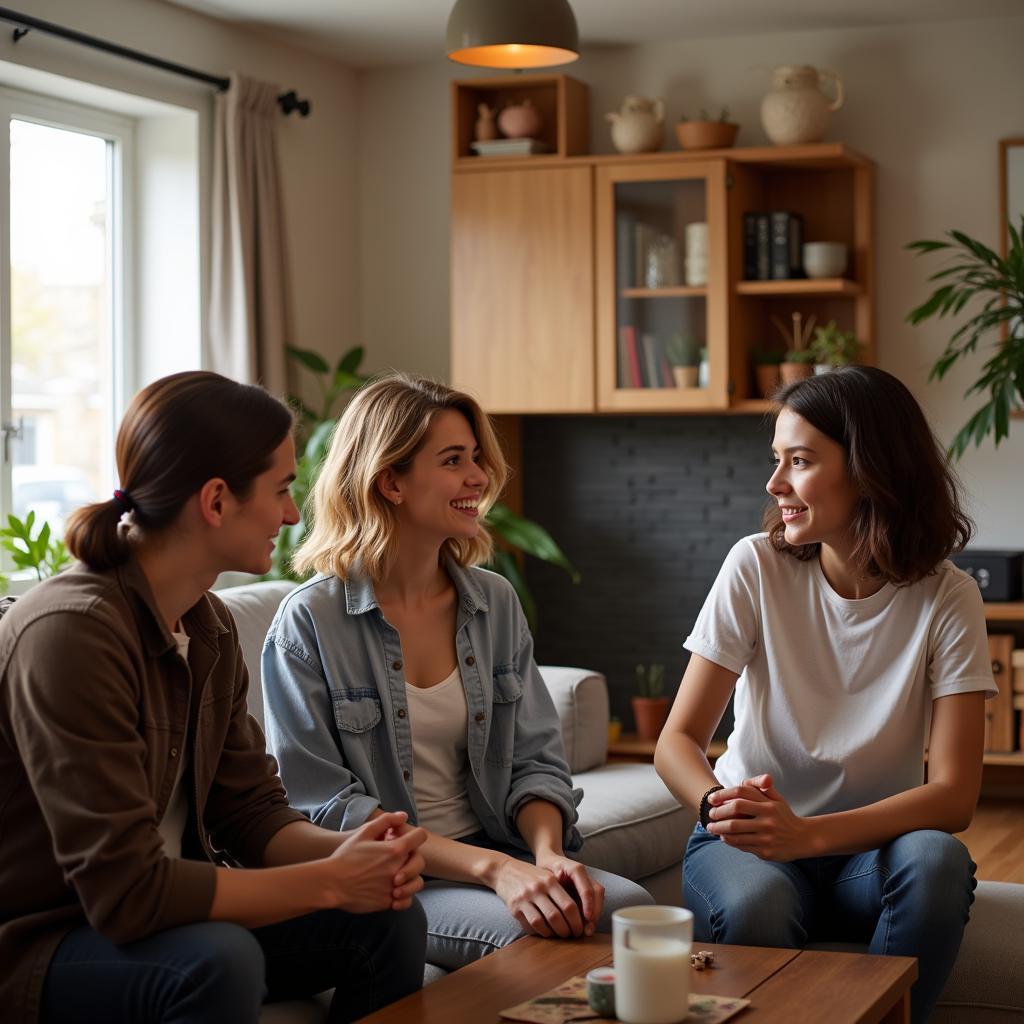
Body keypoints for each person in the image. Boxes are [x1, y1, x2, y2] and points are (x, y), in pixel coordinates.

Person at [0, 371, 429, 1024]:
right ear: (216, 500)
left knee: (385, 923)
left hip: (153, 914)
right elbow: (127, 893)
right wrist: (333, 880)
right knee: (219, 958)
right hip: (45, 939)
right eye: (282, 489)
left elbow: (251, 814)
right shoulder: (73, 633)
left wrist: (360, 851)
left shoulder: (207, 625)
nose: (292, 515)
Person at [262, 373, 653, 971]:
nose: (479, 478)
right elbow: (325, 807)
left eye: (476, 458)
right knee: (542, 943)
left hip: (500, 846)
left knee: (633, 913)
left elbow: (535, 758)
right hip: (401, 877)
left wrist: (546, 856)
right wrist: (495, 871)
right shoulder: (310, 622)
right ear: (389, 480)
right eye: (453, 461)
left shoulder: (493, 602)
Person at [654, 365, 995, 1024]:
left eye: (800, 461)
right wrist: (719, 806)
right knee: (758, 903)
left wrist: (807, 836)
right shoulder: (755, 565)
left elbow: (955, 797)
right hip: (747, 847)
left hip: (867, 854)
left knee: (937, 860)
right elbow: (677, 741)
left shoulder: (948, 597)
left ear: (871, 469)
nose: (774, 483)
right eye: (776, 459)